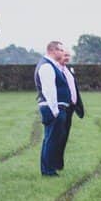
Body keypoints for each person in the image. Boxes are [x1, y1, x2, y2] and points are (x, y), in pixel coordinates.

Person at [34, 41, 71, 177]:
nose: (63, 53)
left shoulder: (49, 65)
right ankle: (48, 171)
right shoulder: (47, 66)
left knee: (50, 139)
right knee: (52, 140)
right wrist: (55, 111)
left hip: (54, 107)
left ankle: (48, 169)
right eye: (61, 50)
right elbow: (49, 90)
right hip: (52, 108)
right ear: (53, 50)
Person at [55, 49, 85, 171]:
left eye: (68, 55)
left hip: (71, 108)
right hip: (62, 107)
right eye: (64, 55)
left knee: (65, 136)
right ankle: (54, 164)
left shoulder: (68, 70)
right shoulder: (56, 70)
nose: (67, 57)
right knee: (59, 136)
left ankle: (59, 164)